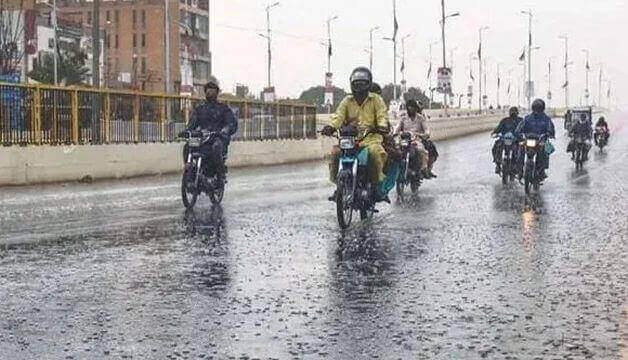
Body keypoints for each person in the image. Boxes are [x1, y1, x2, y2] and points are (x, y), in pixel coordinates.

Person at [321, 67, 390, 201]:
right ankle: (339, 187)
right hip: (349, 139)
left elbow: (382, 115)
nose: (359, 86)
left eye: (362, 83)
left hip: (371, 139)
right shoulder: (347, 101)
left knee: (376, 153)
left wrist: (381, 126)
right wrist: (331, 127)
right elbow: (338, 116)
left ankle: (376, 186)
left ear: (368, 84)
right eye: (356, 83)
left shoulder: (376, 100)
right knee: (335, 154)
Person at [178, 77, 238, 184]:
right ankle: (190, 170)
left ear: (217, 92)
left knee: (216, 147)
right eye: (208, 90)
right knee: (188, 146)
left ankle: (220, 175)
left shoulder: (223, 108)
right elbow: (192, 123)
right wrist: (187, 131)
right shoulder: (200, 109)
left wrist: (226, 129)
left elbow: (231, 123)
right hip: (202, 138)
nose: (210, 92)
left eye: (212, 90)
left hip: (218, 138)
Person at [514, 98, 555, 179]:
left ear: (542, 109)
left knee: (544, 152)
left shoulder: (546, 119)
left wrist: (549, 134)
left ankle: (542, 170)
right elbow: (519, 128)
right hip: (528, 140)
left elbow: (551, 129)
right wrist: (518, 134)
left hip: (540, 141)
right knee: (520, 150)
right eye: (535, 108)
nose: (537, 111)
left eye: (538, 109)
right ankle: (519, 170)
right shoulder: (527, 118)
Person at [393, 99, 433, 178]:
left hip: (416, 140)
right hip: (404, 140)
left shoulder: (421, 118)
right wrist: (394, 133)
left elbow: (426, 129)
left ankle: (423, 169)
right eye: (409, 107)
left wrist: (425, 134)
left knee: (422, 151)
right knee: (395, 151)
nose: (410, 109)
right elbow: (397, 128)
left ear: (416, 108)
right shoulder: (403, 118)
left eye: (412, 107)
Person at [491, 106, 523, 174]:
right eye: (512, 112)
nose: (513, 113)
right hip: (504, 140)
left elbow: (525, 129)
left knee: (521, 149)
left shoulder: (521, 121)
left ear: (517, 113)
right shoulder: (504, 120)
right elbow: (498, 128)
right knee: (496, 147)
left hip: (516, 140)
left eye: (514, 112)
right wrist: (494, 132)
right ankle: (498, 164)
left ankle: (519, 167)